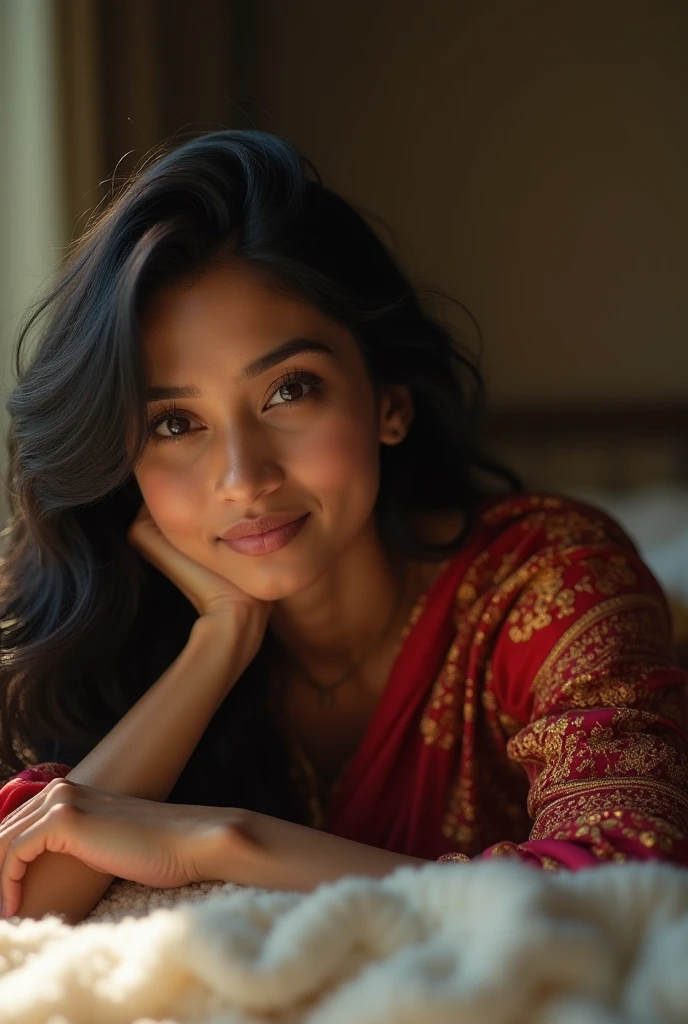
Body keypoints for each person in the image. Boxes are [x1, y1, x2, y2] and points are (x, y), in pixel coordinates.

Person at [0, 130, 687, 926]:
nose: (243, 480)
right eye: (174, 423)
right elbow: (21, 898)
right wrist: (218, 645)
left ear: (389, 401)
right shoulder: (129, 628)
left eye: (290, 390)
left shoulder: (553, 580)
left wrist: (221, 843)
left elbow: (632, 887)